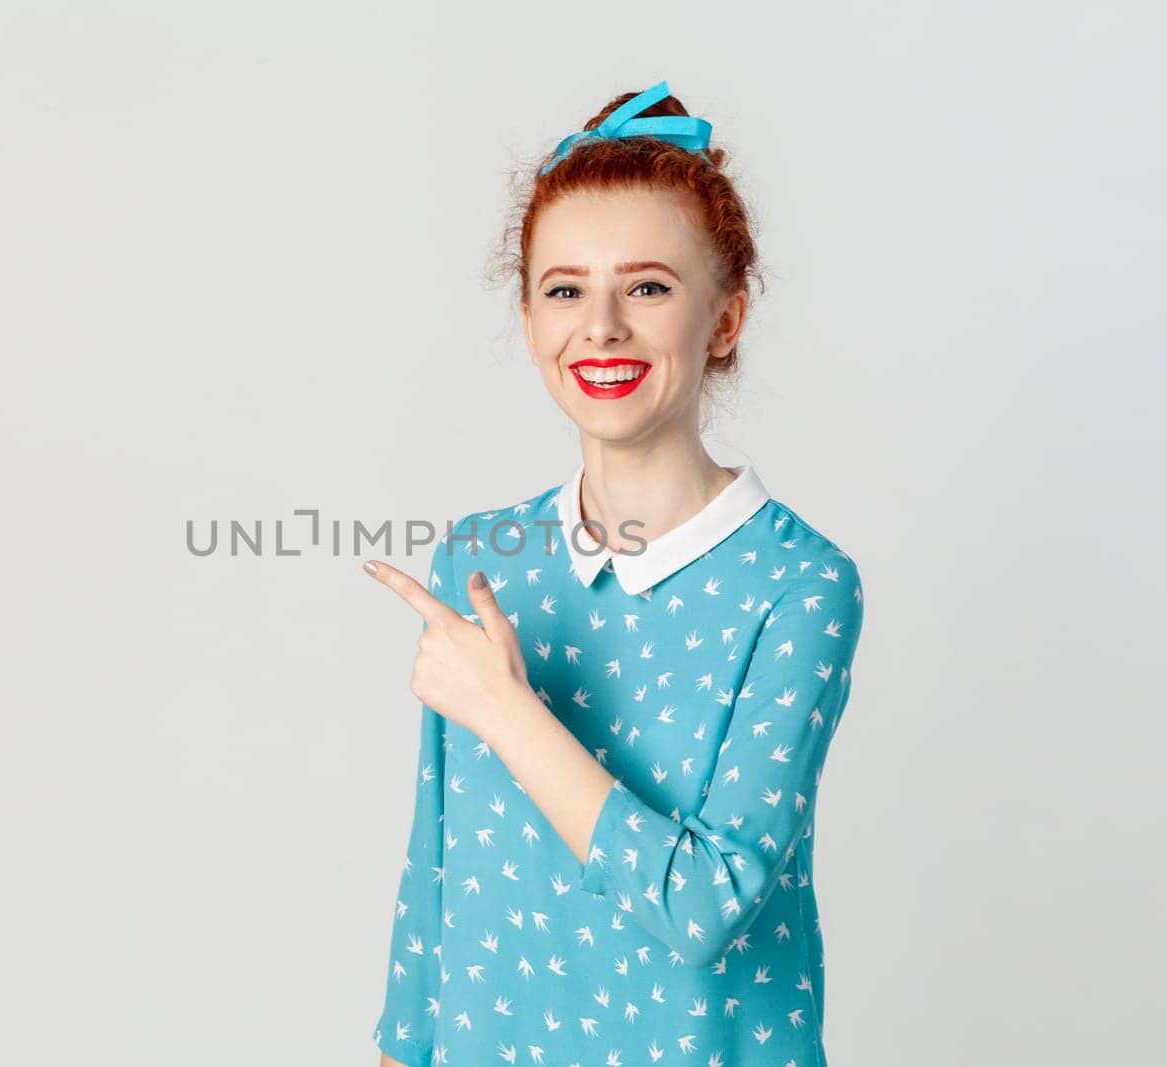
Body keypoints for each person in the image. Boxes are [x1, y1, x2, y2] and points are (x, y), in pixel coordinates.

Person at [362, 80, 867, 1067]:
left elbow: (704, 906)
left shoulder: (797, 585)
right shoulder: (477, 557)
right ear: (528, 319)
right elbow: (438, 875)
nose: (599, 328)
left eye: (646, 287)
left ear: (723, 319)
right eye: (564, 289)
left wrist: (506, 710)